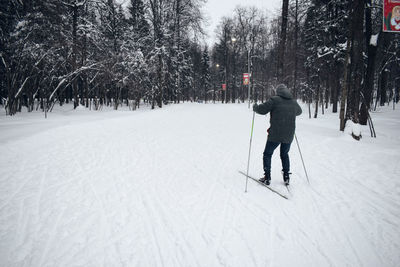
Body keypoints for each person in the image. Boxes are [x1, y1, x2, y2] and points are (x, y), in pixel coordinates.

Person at [252, 84, 302, 186]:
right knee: (284, 154)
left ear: (278, 92)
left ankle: (267, 177)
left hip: (275, 134)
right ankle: (286, 177)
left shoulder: (274, 100)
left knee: (267, 154)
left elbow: (262, 110)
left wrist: (255, 107)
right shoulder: (293, 102)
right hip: (289, 134)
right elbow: (299, 112)